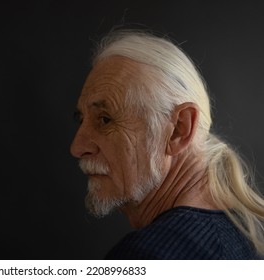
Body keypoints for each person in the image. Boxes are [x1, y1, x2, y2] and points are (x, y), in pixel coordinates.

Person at [70, 29, 264, 259]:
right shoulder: (238, 231)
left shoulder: (149, 255)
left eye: (105, 119)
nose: (77, 147)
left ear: (179, 130)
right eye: (81, 120)